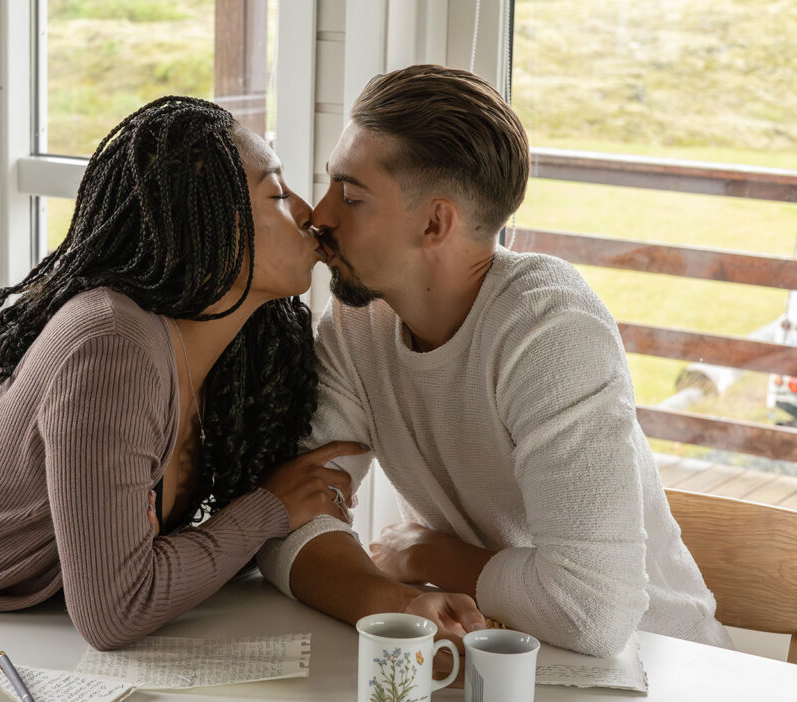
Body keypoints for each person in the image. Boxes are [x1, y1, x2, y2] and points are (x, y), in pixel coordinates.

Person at [0, 96, 363, 684]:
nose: (310, 212)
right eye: (277, 193)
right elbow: (116, 610)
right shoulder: (112, 342)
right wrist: (270, 508)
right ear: (202, 222)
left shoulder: (238, 359)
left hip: (20, 652)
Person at [257, 65, 732, 658]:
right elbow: (283, 525)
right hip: (493, 647)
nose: (319, 214)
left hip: (658, 664)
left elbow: (595, 613)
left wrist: (431, 557)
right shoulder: (358, 323)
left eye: (351, 196)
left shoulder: (550, 331)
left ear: (435, 222)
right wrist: (395, 600)